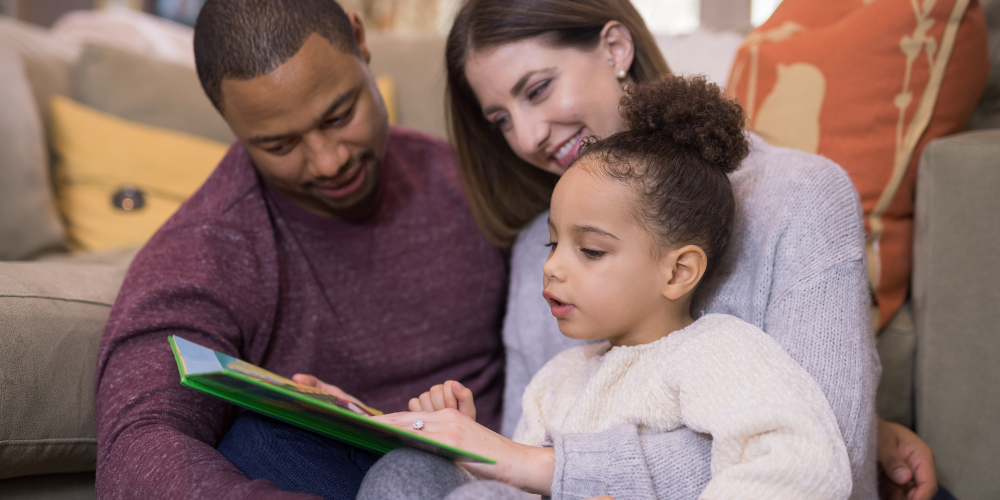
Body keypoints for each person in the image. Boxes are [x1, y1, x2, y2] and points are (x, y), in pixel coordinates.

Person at [334, 1, 939, 499]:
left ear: (616, 48)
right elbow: (528, 442)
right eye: (500, 119)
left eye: (538, 89)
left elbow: (821, 453)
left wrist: (548, 466)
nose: (526, 137)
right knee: (396, 473)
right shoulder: (533, 253)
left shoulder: (799, 195)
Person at [361, 75, 854, 500]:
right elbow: (516, 485)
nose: (553, 267)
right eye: (552, 244)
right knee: (407, 473)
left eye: (590, 251)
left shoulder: (716, 353)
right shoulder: (557, 380)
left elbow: (801, 465)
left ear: (679, 272)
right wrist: (465, 447)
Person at [93, 1, 507, 498]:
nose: (329, 162)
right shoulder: (208, 248)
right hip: (341, 477)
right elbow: (138, 445)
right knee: (258, 442)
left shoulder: (469, 181)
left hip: (503, 465)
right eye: (281, 145)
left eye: (339, 115)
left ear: (359, 40)